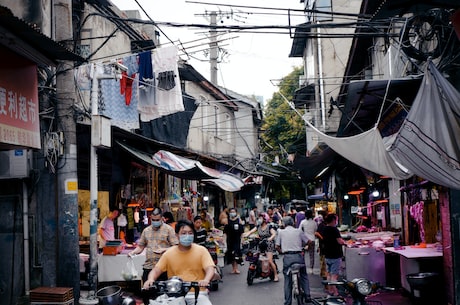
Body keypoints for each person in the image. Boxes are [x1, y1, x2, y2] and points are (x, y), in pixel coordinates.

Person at [143, 219, 215, 305]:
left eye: (190, 233)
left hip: (197, 294)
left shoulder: (202, 251)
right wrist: (150, 279)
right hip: (174, 296)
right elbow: (156, 270)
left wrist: (206, 280)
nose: (187, 236)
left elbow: (210, 268)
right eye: (184, 233)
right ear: (177, 235)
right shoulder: (169, 253)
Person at [128, 207, 179, 282]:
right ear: (150, 218)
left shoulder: (169, 229)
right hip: (149, 266)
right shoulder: (146, 230)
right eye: (153, 220)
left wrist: (164, 250)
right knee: (148, 291)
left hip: (164, 268)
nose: (155, 221)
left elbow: (176, 247)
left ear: (162, 218)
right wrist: (133, 252)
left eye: (157, 220)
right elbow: (140, 247)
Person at [276, 216, 311, 305]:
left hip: (287, 258)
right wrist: (305, 248)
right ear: (293, 223)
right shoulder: (299, 231)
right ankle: (307, 295)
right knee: (303, 275)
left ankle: (288, 301)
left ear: (284, 224)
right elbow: (309, 241)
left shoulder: (281, 232)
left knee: (287, 280)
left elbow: (277, 246)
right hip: (299, 257)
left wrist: (282, 252)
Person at [243, 212, 279, 281]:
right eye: (259, 218)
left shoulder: (269, 226)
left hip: (268, 244)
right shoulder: (258, 226)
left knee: (270, 261)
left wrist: (270, 238)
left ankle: (275, 275)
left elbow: (274, 234)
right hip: (260, 244)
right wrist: (245, 235)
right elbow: (250, 232)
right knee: (255, 257)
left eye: (261, 218)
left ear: (265, 219)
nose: (259, 219)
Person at [321, 213, 346, 296]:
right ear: (333, 220)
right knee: (334, 275)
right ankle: (335, 292)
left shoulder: (324, 229)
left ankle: (330, 290)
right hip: (335, 254)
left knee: (329, 273)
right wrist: (345, 243)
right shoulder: (334, 230)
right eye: (336, 219)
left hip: (327, 254)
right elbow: (339, 241)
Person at [223, 207, 244, 274]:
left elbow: (242, 231)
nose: (232, 213)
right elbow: (225, 232)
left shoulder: (239, 220)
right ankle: (233, 268)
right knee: (231, 254)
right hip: (230, 240)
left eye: (233, 212)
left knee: (236, 254)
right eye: (231, 212)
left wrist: (242, 240)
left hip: (237, 239)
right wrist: (224, 241)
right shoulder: (227, 221)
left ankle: (236, 268)